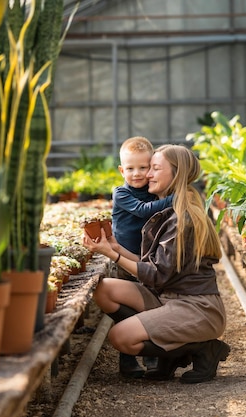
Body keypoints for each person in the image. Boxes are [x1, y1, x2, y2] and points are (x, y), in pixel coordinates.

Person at [83, 144, 229, 384]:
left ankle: (201, 348)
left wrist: (114, 256)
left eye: (154, 168)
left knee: (120, 337)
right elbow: (157, 265)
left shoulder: (184, 219)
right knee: (104, 288)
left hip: (197, 308)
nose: (147, 174)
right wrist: (115, 247)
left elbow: (156, 275)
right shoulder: (172, 209)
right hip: (168, 298)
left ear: (176, 173)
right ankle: (170, 349)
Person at [112, 136, 173, 378]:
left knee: (149, 305)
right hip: (125, 259)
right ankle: (127, 361)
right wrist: (174, 199)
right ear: (121, 170)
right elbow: (142, 211)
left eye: (143, 167)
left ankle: (152, 354)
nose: (136, 174)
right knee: (127, 308)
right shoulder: (122, 194)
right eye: (130, 168)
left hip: (149, 259)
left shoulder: (153, 191)